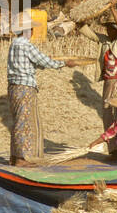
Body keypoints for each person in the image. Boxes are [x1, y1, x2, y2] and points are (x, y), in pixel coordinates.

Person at [6, 16, 87, 166]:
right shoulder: (26, 45)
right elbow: (44, 61)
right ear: (27, 30)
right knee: (24, 122)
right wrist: (64, 63)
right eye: (31, 30)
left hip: (13, 87)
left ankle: (14, 157)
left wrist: (49, 62)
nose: (32, 32)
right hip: (25, 87)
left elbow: (33, 63)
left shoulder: (14, 44)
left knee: (18, 120)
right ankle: (21, 159)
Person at [84, 6, 117, 127]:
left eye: (112, 28)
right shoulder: (104, 41)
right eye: (108, 28)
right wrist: (80, 18)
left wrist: (112, 9)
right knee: (107, 112)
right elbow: (88, 33)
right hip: (109, 82)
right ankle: (112, 142)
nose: (109, 31)